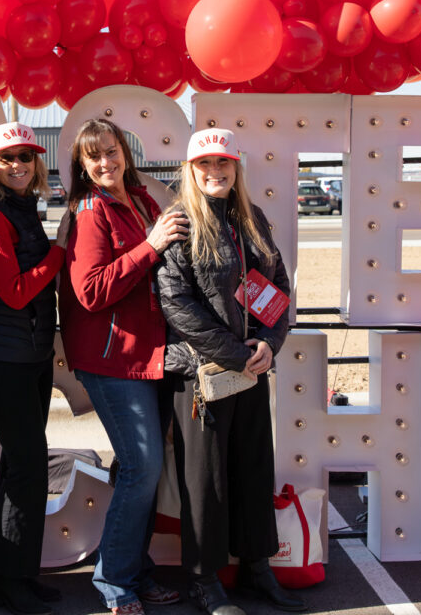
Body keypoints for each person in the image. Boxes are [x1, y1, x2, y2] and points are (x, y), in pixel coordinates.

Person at [156, 128, 306, 615]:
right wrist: (238, 353)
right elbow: (175, 305)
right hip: (200, 376)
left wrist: (269, 343)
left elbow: (279, 287)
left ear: (236, 167)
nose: (215, 172)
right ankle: (204, 582)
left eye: (223, 164)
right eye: (205, 165)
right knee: (207, 481)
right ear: (190, 169)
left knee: (253, 468)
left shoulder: (252, 219)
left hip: (250, 369)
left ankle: (257, 569)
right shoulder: (178, 222)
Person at [59, 117, 189, 615]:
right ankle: (113, 580)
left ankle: (133, 568)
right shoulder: (92, 211)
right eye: (94, 157)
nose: (105, 163)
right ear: (83, 165)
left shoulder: (144, 201)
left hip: (148, 355)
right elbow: (90, 291)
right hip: (112, 359)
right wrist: (151, 245)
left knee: (141, 470)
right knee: (142, 467)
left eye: (111, 151)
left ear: (125, 152)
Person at [0, 122, 67, 615]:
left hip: (30, 355)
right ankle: (7, 582)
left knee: (18, 465)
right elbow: (15, 291)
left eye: (25, 158)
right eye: (6, 159)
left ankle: (15, 572)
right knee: (29, 466)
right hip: (1, 359)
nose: (17, 166)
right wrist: (58, 255)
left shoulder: (24, 208)